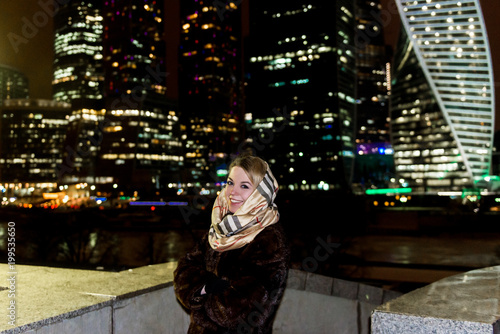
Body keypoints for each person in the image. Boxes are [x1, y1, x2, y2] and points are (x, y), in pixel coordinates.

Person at [174, 154, 290, 334]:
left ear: (260, 193)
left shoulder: (269, 240)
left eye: (244, 186)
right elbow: (184, 268)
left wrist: (198, 300)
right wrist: (207, 287)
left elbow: (234, 312)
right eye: (230, 183)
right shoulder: (222, 227)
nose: (232, 192)